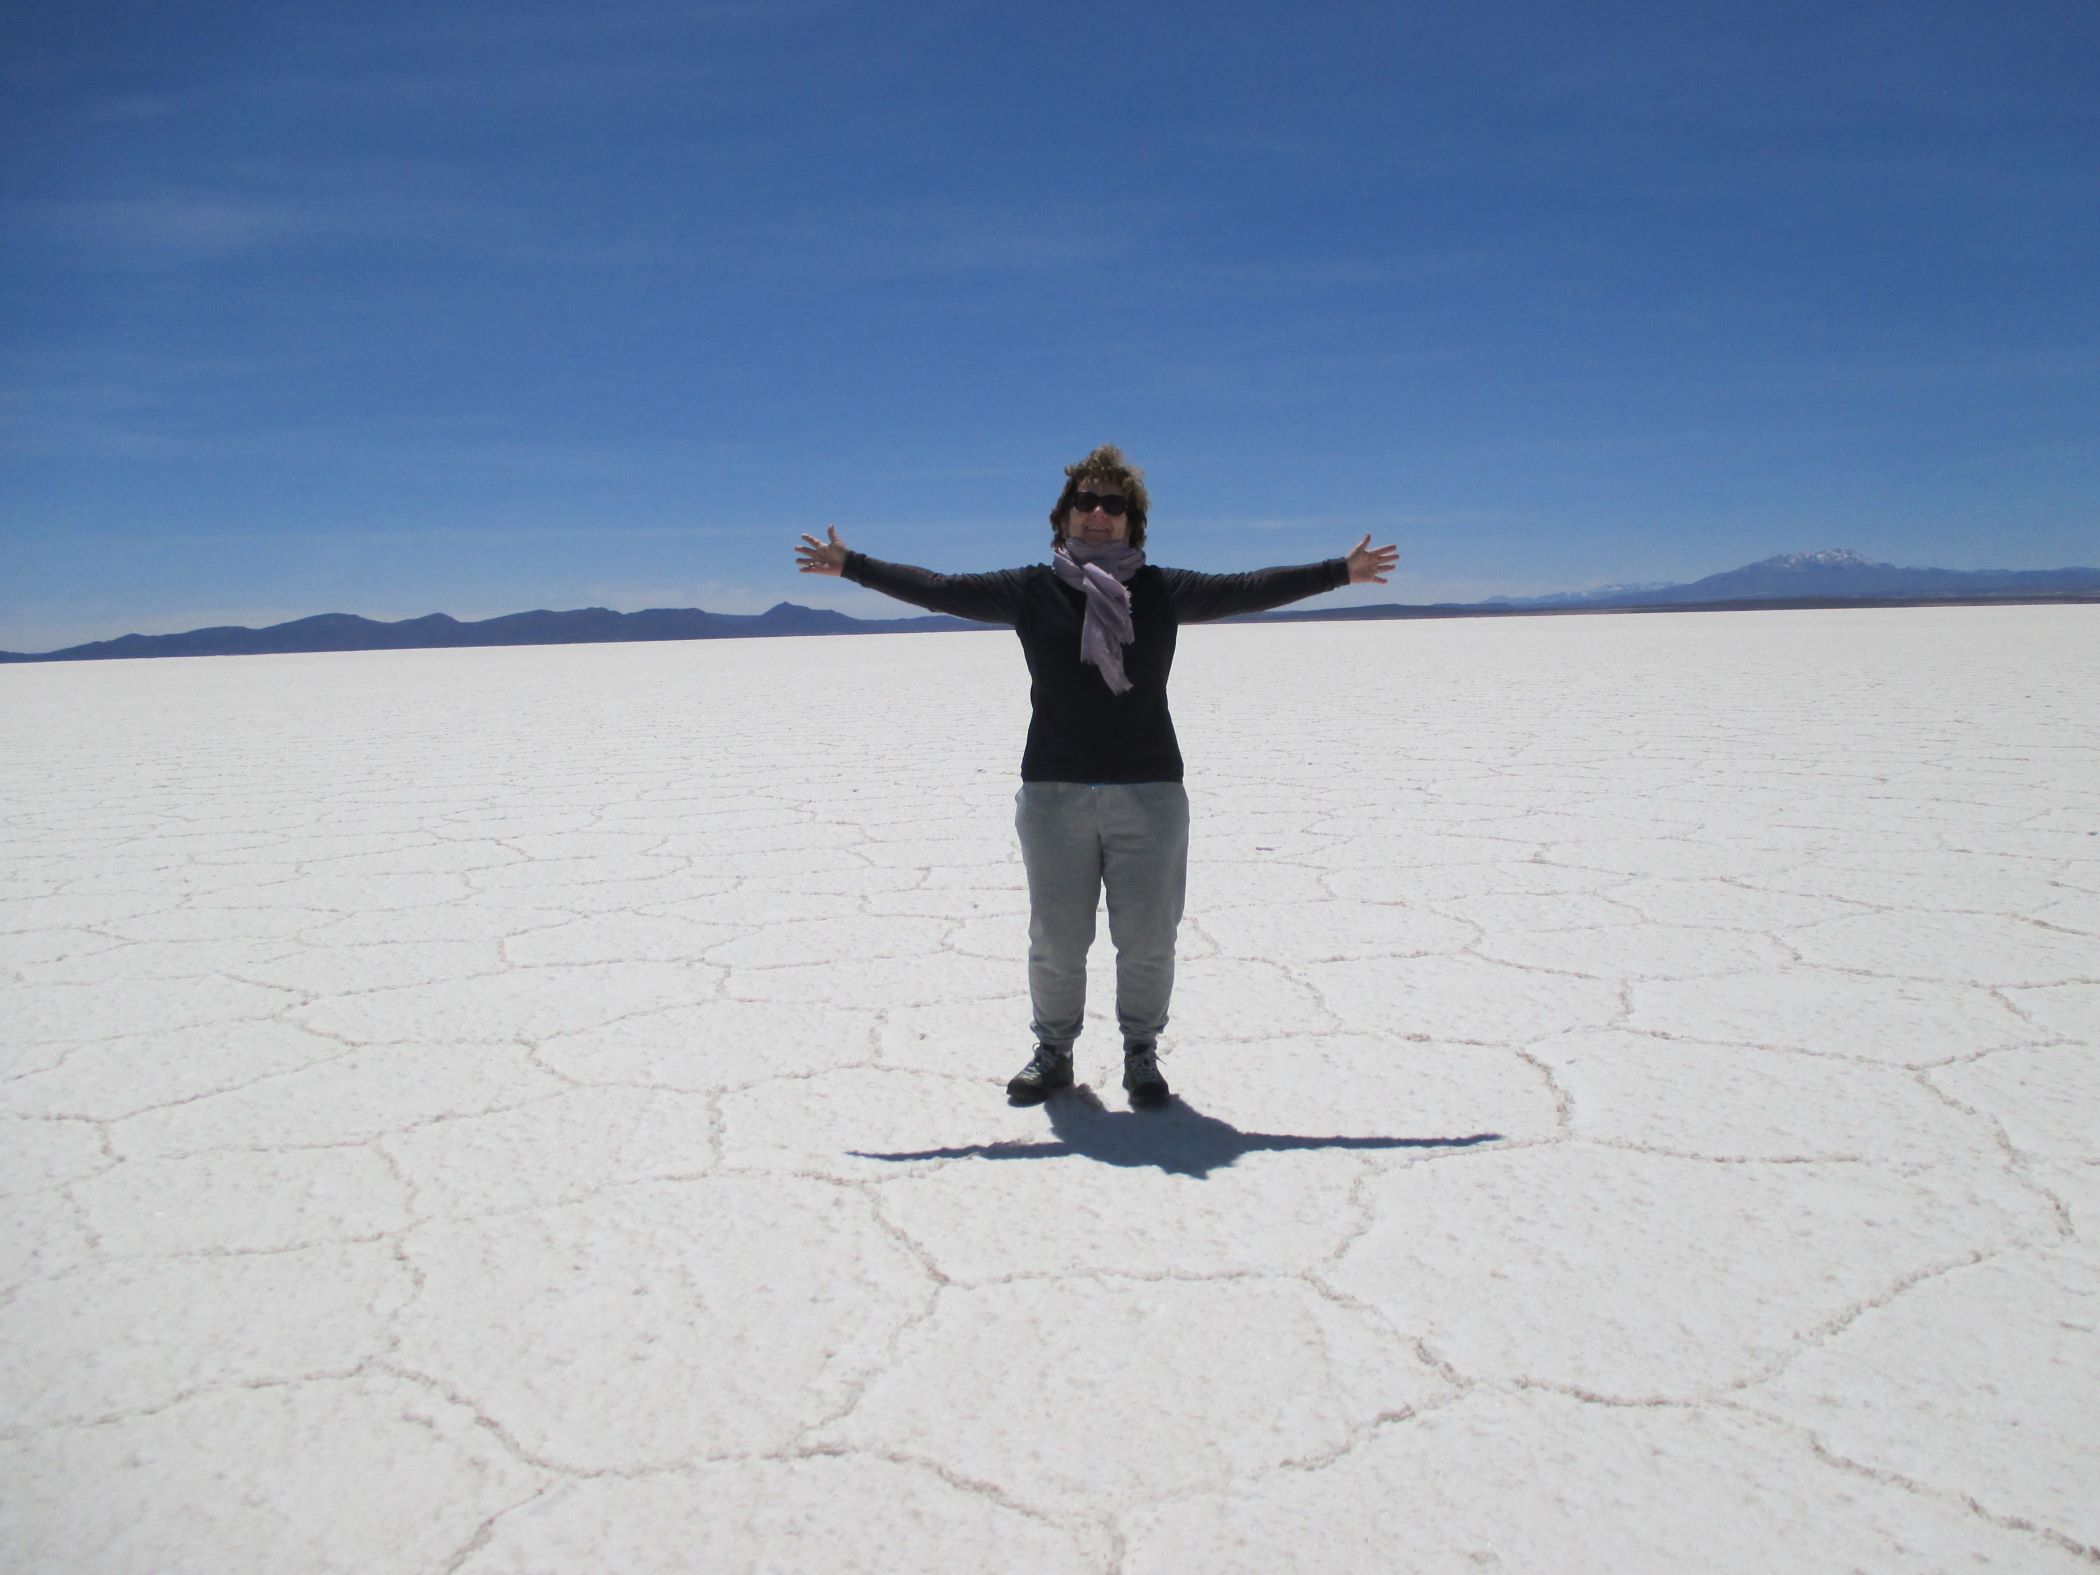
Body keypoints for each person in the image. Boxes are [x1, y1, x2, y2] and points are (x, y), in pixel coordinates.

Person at [795, 444, 1397, 1109]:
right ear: (1065, 516)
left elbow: (1250, 588)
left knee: (1147, 938)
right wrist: (854, 566)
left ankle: (1142, 1052)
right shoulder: (1031, 590)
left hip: (1150, 791)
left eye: (1114, 504)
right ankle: (1053, 1051)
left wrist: (1340, 571)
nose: (1099, 514)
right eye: (1087, 501)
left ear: (1133, 521)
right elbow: (941, 589)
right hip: (1054, 791)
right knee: (1056, 938)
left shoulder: (1162, 592)